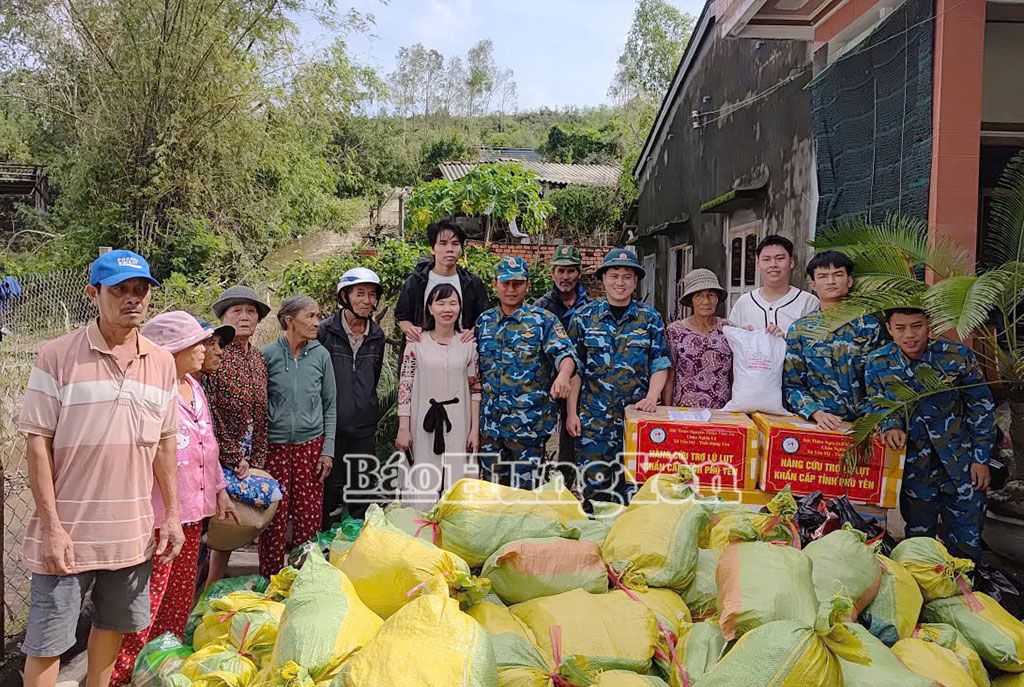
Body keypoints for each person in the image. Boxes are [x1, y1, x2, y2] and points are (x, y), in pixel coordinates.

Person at [18, 250, 184, 687]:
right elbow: (37, 445)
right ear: (94, 294)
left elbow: (165, 444)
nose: (132, 298)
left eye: (140, 290)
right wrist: (52, 527)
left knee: (111, 628)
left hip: (131, 533)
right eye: (119, 290)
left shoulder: (161, 363)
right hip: (68, 536)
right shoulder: (57, 355)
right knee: (48, 643)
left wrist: (172, 515)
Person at [109, 312, 238, 686]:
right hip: (158, 516)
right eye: (197, 343)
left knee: (180, 596)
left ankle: (163, 664)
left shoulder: (194, 387)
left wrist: (220, 490)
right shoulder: (148, 392)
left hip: (191, 513)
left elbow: (207, 445)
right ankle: (123, 673)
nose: (205, 350)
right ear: (173, 350)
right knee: (146, 600)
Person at [865, 307, 995, 560]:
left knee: (967, 544)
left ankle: (968, 585)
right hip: (915, 468)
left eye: (917, 326)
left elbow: (980, 407)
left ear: (929, 326)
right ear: (889, 330)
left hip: (961, 463)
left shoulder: (957, 356)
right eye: (900, 328)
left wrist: (981, 459)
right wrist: (891, 424)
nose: (909, 335)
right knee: (918, 543)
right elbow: (876, 402)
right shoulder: (878, 362)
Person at [567, 249, 671, 502]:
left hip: (637, 420)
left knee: (637, 492)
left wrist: (652, 397)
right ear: (603, 279)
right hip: (595, 423)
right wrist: (571, 413)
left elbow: (660, 363)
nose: (620, 283)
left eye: (626, 277)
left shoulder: (650, 318)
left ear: (635, 281)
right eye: (614, 276)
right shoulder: (584, 318)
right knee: (595, 493)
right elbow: (575, 369)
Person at [476, 257, 577, 488]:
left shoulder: (543, 321)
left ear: (528, 285)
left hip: (529, 429)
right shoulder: (484, 322)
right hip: (491, 428)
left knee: (525, 497)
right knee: (492, 494)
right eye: (505, 283)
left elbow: (566, 355)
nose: (511, 289)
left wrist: (563, 375)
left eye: (517, 283)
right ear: (495, 285)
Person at [259, 295, 337, 578]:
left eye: (318, 316)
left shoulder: (321, 355)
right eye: (310, 316)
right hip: (275, 447)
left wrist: (327, 450)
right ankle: (269, 580)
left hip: (311, 446)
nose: (317, 322)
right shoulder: (267, 355)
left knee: (308, 519)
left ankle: (305, 579)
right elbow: (258, 405)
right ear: (290, 321)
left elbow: (330, 405)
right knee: (273, 518)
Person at [202, 285, 270, 587]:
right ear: (224, 317)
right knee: (208, 525)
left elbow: (262, 412)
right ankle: (193, 589)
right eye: (237, 311)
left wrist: (256, 460)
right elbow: (211, 410)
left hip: (247, 452)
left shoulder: (257, 357)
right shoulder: (216, 355)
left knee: (227, 527)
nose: (245, 317)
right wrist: (232, 456)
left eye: (251, 311)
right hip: (218, 452)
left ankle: (211, 588)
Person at [395, 283, 481, 505]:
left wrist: (474, 430)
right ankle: (419, 522)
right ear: (430, 308)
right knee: (423, 478)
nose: (447, 309)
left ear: (460, 307)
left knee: (457, 477)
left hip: (459, 421)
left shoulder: (468, 346)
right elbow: (405, 385)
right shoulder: (416, 343)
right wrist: (403, 427)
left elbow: (475, 388)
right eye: (441, 303)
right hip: (422, 420)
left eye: (453, 303)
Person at [783, 251, 883, 430]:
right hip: (817, 425)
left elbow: (883, 379)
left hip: (864, 427)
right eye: (823, 276)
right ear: (814, 284)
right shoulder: (800, 330)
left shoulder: (870, 327)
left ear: (849, 281)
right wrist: (815, 413)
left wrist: (872, 419)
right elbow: (792, 385)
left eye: (838, 275)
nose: (831, 281)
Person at [318, 268, 386, 525]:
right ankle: (323, 539)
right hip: (331, 426)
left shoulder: (376, 335)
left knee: (361, 488)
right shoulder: (325, 332)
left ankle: (358, 539)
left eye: (372, 295)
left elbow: (373, 377)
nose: (367, 301)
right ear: (345, 296)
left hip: (364, 425)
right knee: (328, 489)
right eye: (360, 294)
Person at [395, 219, 490, 341]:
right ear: (432, 248)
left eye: (455, 244)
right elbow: (402, 317)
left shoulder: (473, 283)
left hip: (461, 348)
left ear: (461, 249)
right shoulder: (416, 281)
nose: (450, 249)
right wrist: (410, 329)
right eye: (443, 243)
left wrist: (473, 332)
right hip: (423, 347)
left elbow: (484, 318)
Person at [661, 269, 734, 409]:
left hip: (722, 412)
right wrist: (667, 410)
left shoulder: (728, 329)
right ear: (691, 300)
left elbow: (734, 373)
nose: (706, 301)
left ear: (717, 298)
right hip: (684, 411)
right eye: (698, 296)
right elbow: (670, 375)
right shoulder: (675, 331)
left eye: (711, 295)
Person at [728, 235, 819, 336]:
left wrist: (787, 339)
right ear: (758, 264)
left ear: (791, 262)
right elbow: (731, 339)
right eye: (766, 259)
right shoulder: (744, 303)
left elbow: (816, 342)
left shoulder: (808, 302)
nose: (773, 265)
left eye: (780, 258)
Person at [534, 245, 591, 328]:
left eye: (571, 271)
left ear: (579, 274)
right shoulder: (541, 307)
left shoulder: (590, 307)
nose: (565, 277)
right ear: (552, 273)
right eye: (561, 271)